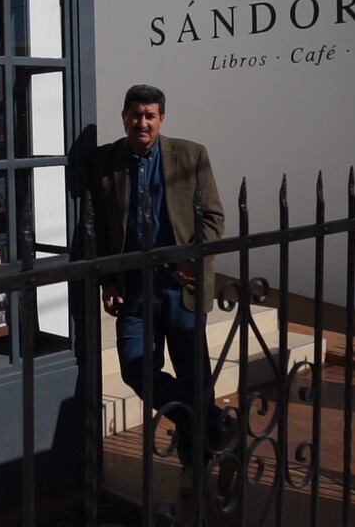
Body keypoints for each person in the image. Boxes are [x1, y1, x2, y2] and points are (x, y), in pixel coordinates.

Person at [89, 84, 233, 492]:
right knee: (136, 368)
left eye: (150, 115)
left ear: (162, 119)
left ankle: (197, 464)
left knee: (192, 374)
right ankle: (217, 423)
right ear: (124, 117)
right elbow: (99, 227)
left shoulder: (190, 154)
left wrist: (190, 256)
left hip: (180, 285)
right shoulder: (104, 162)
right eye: (136, 115)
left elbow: (214, 218)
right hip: (133, 287)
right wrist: (108, 279)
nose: (142, 123)